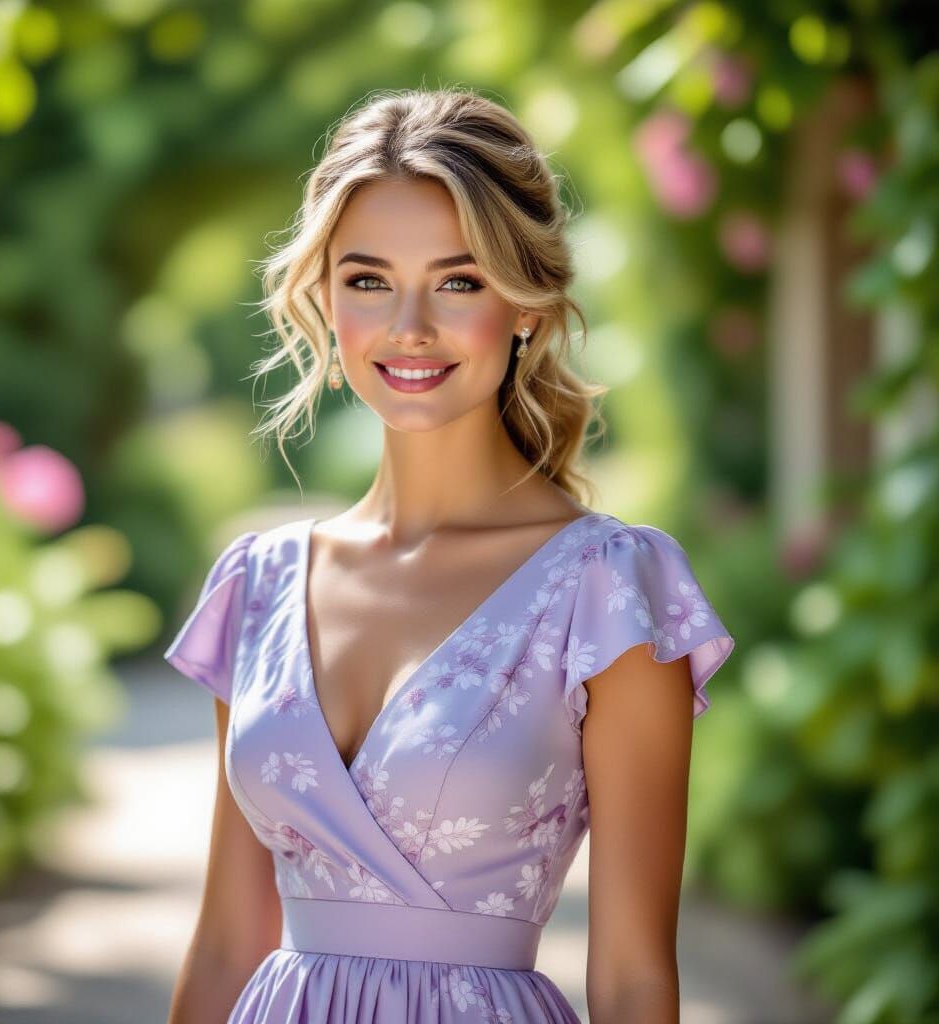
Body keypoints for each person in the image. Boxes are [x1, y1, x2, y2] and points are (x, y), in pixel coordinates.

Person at [163, 86, 735, 1024]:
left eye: (459, 281)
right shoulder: (259, 584)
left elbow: (634, 979)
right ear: (324, 298)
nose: (409, 327)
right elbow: (228, 940)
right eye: (368, 280)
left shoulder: (608, 590)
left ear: (527, 306)